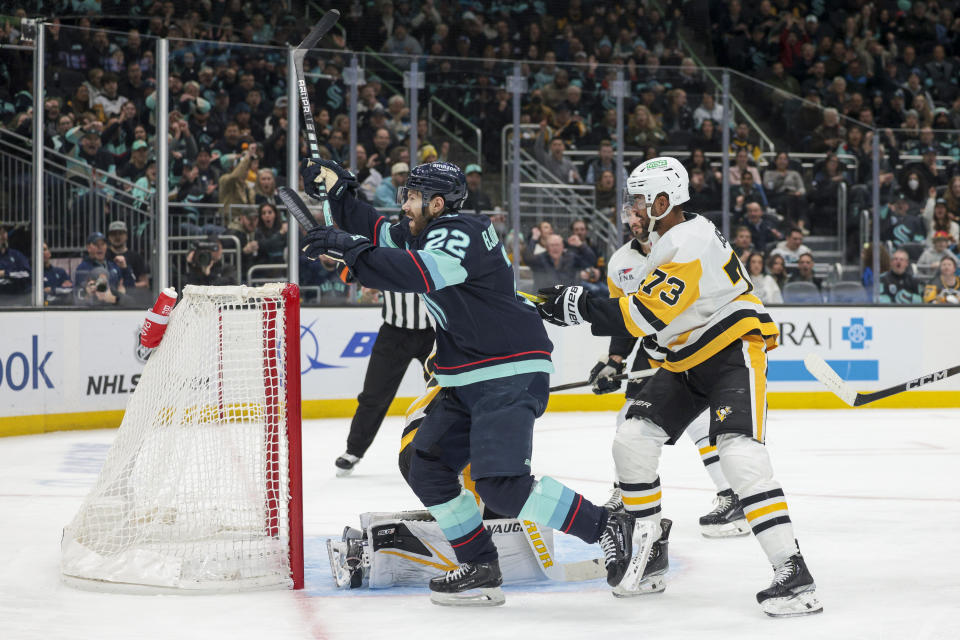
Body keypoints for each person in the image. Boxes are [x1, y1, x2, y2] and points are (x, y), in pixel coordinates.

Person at [299, 158, 632, 606]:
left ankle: (607, 525)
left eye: (412, 197)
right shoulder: (427, 229)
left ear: (437, 203)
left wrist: (349, 248)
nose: (404, 204)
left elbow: (421, 272)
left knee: (501, 484)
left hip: (507, 370)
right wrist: (342, 196)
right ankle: (480, 564)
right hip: (468, 375)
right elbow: (380, 234)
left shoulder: (460, 230)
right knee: (427, 468)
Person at [535, 156, 820, 616]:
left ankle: (794, 574)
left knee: (739, 454)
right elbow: (636, 318)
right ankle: (648, 556)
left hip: (730, 349)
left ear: (664, 201)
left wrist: (578, 305)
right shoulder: (641, 250)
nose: (632, 208)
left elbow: (645, 314)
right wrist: (607, 349)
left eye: (641, 200)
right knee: (631, 439)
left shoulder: (690, 239)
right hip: (681, 358)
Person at [594, 202, 751, 541]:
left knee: (698, 423)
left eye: (639, 215)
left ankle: (732, 494)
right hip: (653, 352)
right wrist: (614, 360)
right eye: (630, 217)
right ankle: (627, 492)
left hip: (690, 347)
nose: (634, 222)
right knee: (628, 422)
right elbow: (625, 319)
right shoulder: (621, 262)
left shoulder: (684, 244)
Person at [333, 287, 435, 476]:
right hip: (394, 333)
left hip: (435, 332)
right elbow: (348, 268)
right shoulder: (387, 255)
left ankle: (447, 451)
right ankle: (354, 450)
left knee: (444, 392)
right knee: (374, 394)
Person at [75, 231, 134, 305]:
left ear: (106, 246)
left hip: (117, 308)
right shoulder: (82, 268)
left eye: (103, 244)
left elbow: (130, 287)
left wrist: (125, 269)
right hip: (93, 309)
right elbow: (80, 294)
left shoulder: (113, 266)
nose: (100, 247)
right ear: (88, 248)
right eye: (96, 244)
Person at [105, 220, 150, 289]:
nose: (117, 237)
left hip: (131, 295)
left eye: (120, 233)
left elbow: (145, 283)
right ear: (109, 237)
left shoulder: (136, 257)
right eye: (113, 234)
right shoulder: (104, 255)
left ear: (126, 236)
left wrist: (127, 286)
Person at [0, 224, 30, 305]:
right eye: (0, 233)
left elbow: (27, 273)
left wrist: (5, 273)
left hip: (16, 300)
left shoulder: (16, 255)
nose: (3, 236)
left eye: (4, 232)